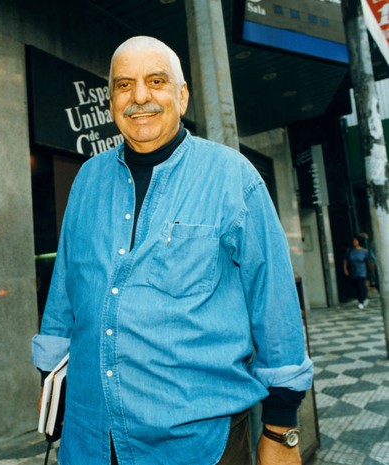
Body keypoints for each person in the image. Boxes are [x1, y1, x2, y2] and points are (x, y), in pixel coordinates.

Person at [31, 36, 312, 465]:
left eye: (156, 81)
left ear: (181, 95)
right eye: (124, 85)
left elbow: (273, 303)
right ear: (110, 101)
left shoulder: (231, 176)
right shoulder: (87, 179)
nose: (139, 96)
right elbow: (64, 296)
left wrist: (280, 428)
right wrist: (50, 377)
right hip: (89, 437)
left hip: (199, 442)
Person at [343, 235, 370, 310]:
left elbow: (367, 262)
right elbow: (345, 261)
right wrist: (345, 269)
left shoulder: (364, 251)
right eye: (353, 240)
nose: (354, 242)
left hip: (362, 271)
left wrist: (369, 271)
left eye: (356, 240)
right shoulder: (350, 251)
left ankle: (361, 301)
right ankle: (362, 298)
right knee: (356, 286)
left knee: (361, 285)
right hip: (353, 271)